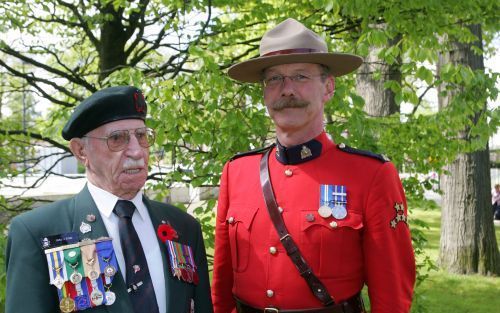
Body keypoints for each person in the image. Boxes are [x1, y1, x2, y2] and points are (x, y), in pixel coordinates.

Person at [211, 18, 415, 313]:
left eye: (301, 77)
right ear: (264, 93)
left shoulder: (370, 175)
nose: (287, 90)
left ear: (328, 88)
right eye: (274, 79)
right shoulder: (237, 172)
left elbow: (392, 297)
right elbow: (221, 290)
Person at [5, 86, 213, 313]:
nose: (136, 151)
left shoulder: (183, 227)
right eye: (117, 138)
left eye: (141, 136)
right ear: (81, 151)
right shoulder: (38, 232)